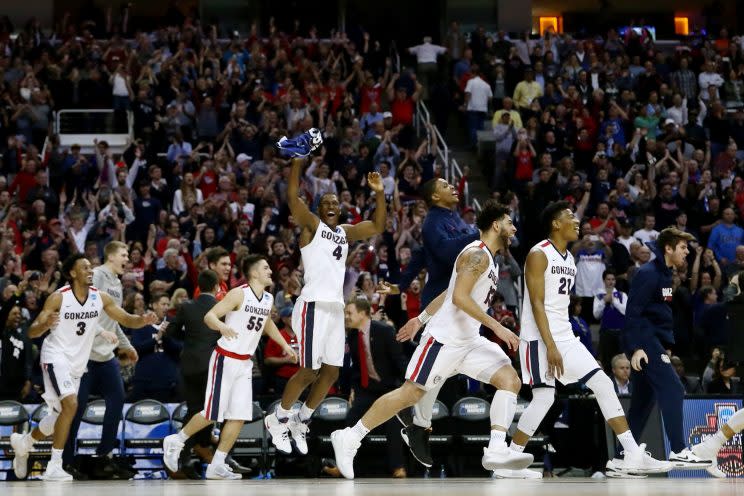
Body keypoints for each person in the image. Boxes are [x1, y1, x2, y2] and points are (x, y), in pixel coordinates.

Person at [330, 201, 533, 479]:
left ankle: (497, 449)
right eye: (509, 222)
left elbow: (448, 293)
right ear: (496, 225)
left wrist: (419, 318)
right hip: (444, 340)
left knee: (509, 379)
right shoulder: (477, 255)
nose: (514, 228)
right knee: (410, 393)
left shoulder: (488, 258)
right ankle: (350, 437)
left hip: (469, 340)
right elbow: (459, 298)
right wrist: (499, 327)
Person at [508, 201, 671, 479]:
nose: (577, 222)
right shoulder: (539, 253)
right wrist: (550, 346)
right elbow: (536, 303)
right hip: (538, 339)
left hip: (565, 336)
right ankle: (510, 457)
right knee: (544, 398)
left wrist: (562, 341)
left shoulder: (570, 258)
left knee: (603, 383)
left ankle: (630, 455)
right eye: (570, 217)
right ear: (555, 224)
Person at [265, 129, 386, 456]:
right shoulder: (312, 226)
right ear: (320, 207)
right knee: (309, 369)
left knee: (331, 372)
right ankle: (278, 418)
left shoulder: (345, 232)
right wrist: (297, 161)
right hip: (313, 306)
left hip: (335, 308)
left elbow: (377, 227)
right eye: (326, 202)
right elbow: (292, 197)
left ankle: (301, 419)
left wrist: (378, 193)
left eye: (336, 202)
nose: (332, 205)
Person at [10, 254, 157, 481]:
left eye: (91, 267)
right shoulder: (58, 297)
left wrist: (143, 320)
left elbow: (127, 319)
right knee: (71, 405)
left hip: (77, 365)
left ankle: (24, 443)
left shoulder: (100, 297)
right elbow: (32, 332)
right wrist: (45, 325)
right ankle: (54, 466)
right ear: (72, 273)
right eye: (85, 268)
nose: (91, 271)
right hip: (56, 356)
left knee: (61, 416)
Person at [163, 255, 297, 479]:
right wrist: (222, 327)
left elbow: (266, 322)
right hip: (225, 358)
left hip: (244, 363)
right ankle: (176, 440)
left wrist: (284, 344)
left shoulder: (267, 299)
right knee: (212, 412)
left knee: (239, 416)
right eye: (266, 268)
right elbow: (210, 316)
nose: (270, 271)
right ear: (254, 272)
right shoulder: (238, 293)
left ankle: (217, 464)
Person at [622, 227, 713, 468]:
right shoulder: (649, 273)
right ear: (668, 248)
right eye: (683, 247)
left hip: (653, 341)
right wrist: (636, 348)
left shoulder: (663, 274)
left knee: (643, 401)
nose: (687, 252)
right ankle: (679, 449)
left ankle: (623, 457)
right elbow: (632, 313)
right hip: (644, 340)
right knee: (674, 389)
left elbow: (657, 314)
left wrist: (663, 345)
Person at [63, 241, 139, 479]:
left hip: (105, 357)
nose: (128, 259)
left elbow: (112, 319)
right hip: (83, 356)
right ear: (112, 256)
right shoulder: (97, 275)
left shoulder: (116, 283)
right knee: (75, 409)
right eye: (124, 254)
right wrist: (98, 333)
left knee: (117, 399)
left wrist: (127, 345)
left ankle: (102, 457)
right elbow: (84, 309)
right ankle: (65, 461)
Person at [344, 297, 408, 478]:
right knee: (350, 422)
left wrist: (407, 387)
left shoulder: (385, 331)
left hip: (389, 388)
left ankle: (398, 467)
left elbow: (399, 360)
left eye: (350, 313)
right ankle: (345, 467)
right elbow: (357, 367)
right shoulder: (352, 335)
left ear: (363, 313)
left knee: (393, 424)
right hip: (366, 389)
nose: (346, 317)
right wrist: (353, 390)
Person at [593, 269, 628, 374]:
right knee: (606, 361)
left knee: (622, 359)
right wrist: (604, 301)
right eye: (608, 279)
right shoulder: (599, 296)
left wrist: (614, 302)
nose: (611, 281)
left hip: (621, 332)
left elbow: (626, 312)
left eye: (613, 279)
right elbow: (596, 315)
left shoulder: (622, 295)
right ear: (604, 280)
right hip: (606, 333)